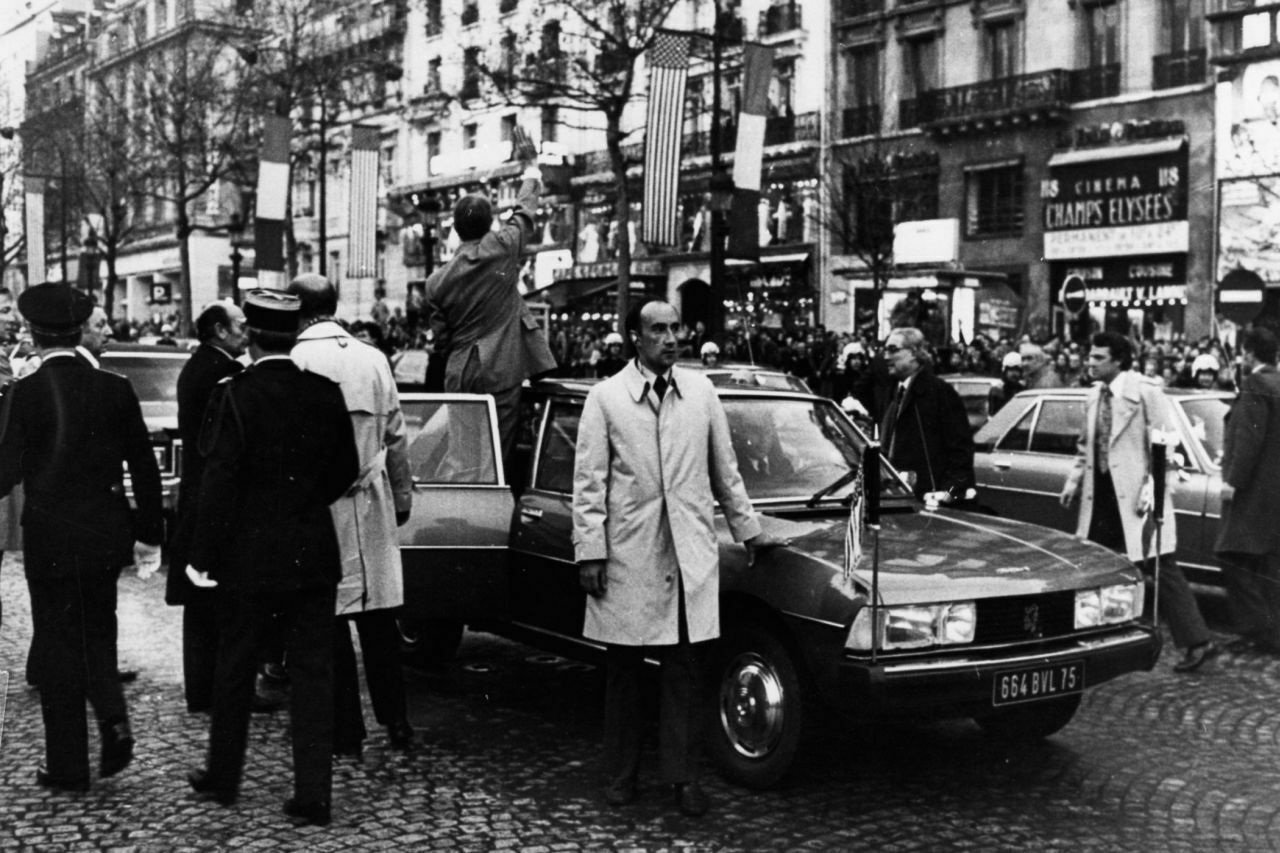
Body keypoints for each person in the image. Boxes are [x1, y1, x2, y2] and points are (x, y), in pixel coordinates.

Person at [572, 299, 779, 818]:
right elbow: (589, 484)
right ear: (634, 338)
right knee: (623, 670)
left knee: (683, 670)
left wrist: (748, 531)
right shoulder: (605, 399)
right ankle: (621, 775)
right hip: (629, 552)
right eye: (657, 329)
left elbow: (726, 471)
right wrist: (590, 552)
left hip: (689, 553)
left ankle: (684, 779)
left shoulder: (702, 393)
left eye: (675, 327)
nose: (670, 337)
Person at [185, 289, 358, 826]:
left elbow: (219, 482)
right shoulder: (325, 393)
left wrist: (204, 556)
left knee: (235, 665)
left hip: (248, 554)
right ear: (295, 334)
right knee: (312, 672)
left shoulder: (233, 394)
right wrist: (303, 505)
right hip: (311, 549)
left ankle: (223, 775)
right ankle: (314, 794)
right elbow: (345, 470)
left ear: (253, 338)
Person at [0, 283, 164, 792]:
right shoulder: (115, 388)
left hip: (49, 535)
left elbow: (4, 471)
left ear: (33, 332)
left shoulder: (24, 393)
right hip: (103, 531)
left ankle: (67, 764)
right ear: (79, 331)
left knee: (55, 642)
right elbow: (144, 466)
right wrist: (148, 534)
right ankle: (113, 715)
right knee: (99, 632)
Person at [288, 273, 416, 756]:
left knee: (332, 618)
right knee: (380, 616)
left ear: (296, 309)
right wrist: (402, 496)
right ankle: (397, 720)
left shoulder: (296, 358)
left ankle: (348, 728)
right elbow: (397, 436)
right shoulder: (373, 358)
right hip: (372, 496)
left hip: (320, 504)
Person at [1060, 331, 1218, 673]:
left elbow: (1166, 444)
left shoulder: (1145, 392)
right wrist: (1073, 482)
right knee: (1093, 565)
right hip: (1100, 496)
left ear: (1118, 361)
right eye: (1089, 356)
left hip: (1136, 498)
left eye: (1098, 358)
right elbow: (1084, 447)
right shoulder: (1093, 395)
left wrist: (1154, 488)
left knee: (1160, 565)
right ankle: (1095, 635)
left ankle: (1197, 640)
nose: (1089, 363)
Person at [424, 137, 557, 466]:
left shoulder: (436, 282)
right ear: (489, 223)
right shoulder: (503, 246)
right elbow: (526, 209)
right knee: (496, 455)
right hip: (499, 368)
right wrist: (530, 166)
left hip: (458, 372)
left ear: (455, 228)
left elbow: (442, 340)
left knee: (465, 454)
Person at [166, 301, 248, 713]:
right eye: (239, 325)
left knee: (200, 604)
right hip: (217, 496)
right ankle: (225, 691)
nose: (246, 332)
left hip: (197, 493)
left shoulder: (197, 365)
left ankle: (201, 689)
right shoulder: (226, 373)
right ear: (219, 330)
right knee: (222, 599)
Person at [1216, 328, 1280, 655]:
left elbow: (1250, 440)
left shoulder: (1256, 385)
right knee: (1266, 565)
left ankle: (1261, 630)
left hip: (1252, 492)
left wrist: (1233, 482)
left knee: (1231, 556)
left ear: (1250, 353)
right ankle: (1268, 633)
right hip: (1273, 494)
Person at [879, 327, 974, 503]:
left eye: (893, 350)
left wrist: (949, 493)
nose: (886, 356)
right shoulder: (894, 392)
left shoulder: (939, 392)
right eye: (884, 350)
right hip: (898, 499)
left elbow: (961, 452)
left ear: (914, 353)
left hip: (929, 501)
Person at [988, 351, 1025, 416]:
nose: (1015, 374)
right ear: (1005, 371)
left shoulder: (1021, 388)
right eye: (1011, 370)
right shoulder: (997, 389)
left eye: (1017, 370)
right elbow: (993, 415)